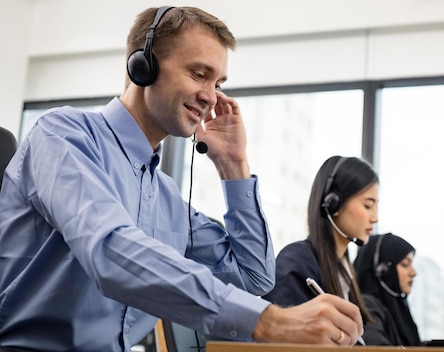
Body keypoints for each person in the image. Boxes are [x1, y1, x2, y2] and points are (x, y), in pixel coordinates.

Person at [0, 6, 362, 351]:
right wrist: (270, 321)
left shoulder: (166, 197)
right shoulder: (62, 135)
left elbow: (255, 278)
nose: (210, 96)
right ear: (144, 66)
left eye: (218, 82)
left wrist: (234, 166)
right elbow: (110, 250)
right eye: (199, 74)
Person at [263, 156, 378, 340]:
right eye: (367, 205)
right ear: (334, 203)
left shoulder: (345, 272)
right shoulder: (296, 261)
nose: (375, 218)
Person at [353, 233, 421, 346]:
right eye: (405, 264)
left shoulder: (398, 307)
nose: (413, 273)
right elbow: (375, 343)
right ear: (383, 270)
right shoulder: (367, 306)